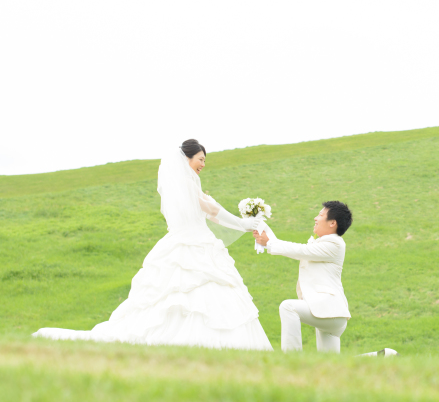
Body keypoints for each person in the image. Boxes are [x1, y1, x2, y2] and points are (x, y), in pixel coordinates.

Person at [33, 140, 273, 351]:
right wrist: (243, 224)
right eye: (200, 159)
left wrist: (242, 223)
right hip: (192, 244)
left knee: (194, 293)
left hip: (195, 241)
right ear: (186, 159)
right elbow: (212, 210)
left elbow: (211, 215)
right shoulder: (186, 186)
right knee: (187, 293)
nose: (203, 164)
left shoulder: (189, 185)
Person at [254, 201, 352, 353]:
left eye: (320, 215)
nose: (315, 218)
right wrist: (268, 239)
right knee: (330, 367)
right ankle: (385, 355)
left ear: (332, 223)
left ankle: (292, 360)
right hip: (329, 313)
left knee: (288, 307)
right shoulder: (322, 243)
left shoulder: (335, 243)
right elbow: (303, 250)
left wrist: (270, 243)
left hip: (329, 309)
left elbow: (302, 250)